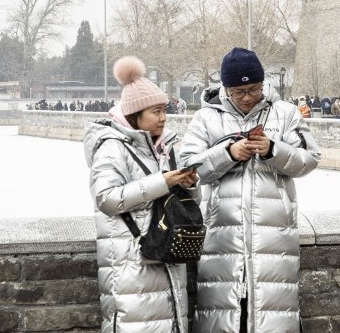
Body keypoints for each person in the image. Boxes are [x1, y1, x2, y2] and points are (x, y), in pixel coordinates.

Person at [180, 48, 320, 333]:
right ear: (225, 88)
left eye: (253, 89)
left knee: (273, 317)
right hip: (221, 236)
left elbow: (309, 159)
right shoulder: (206, 118)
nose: (246, 97)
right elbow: (189, 170)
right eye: (238, 91)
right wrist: (228, 154)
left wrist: (273, 150)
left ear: (262, 83)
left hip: (274, 237)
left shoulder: (285, 113)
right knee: (222, 317)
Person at [84, 56, 199, 333]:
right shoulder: (111, 147)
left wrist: (189, 186)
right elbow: (107, 198)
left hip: (168, 258)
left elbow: (185, 205)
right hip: (131, 265)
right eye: (155, 112)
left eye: (164, 110)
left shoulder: (167, 146)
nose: (163, 118)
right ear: (135, 116)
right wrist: (162, 181)